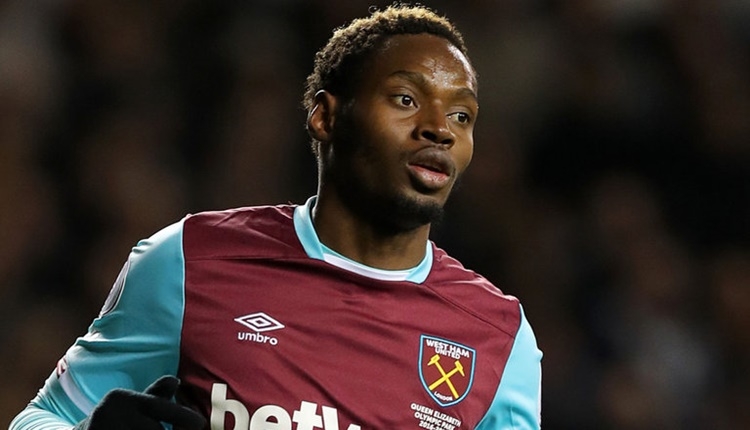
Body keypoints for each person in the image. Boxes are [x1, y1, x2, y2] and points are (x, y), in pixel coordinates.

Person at [10, 4, 542, 429]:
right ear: (326, 117)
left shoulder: (498, 337)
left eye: (461, 115)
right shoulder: (190, 261)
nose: (440, 129)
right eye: (405, 99)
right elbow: (43, 417)